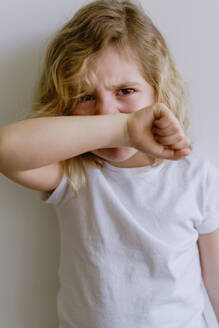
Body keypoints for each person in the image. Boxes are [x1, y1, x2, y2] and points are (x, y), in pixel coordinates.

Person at [0, 0, 218, 327]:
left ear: (159, 93)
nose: (106, 111)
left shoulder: (196, 178)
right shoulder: (72, 173)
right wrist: (125, 128)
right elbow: (6, 148)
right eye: (86, 97)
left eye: (125, 91)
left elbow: (215, 281)